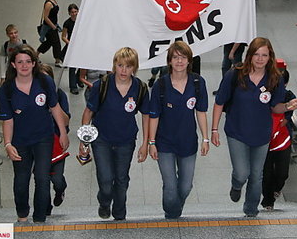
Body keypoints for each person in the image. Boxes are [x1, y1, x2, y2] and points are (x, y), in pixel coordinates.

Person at [211, 37, 297, 217]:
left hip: (262, 135)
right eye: (256, 54)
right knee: (242, 173)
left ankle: (251, 210)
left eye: (264, 55)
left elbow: (275, 107)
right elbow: (219, 102)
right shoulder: (235, 74)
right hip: (236, 132)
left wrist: (288, 106)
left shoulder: (275, 79)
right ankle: (236, 184)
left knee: (256, 175)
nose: (260, 59)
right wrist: (214, 129)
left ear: (270, 57)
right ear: (250, 55)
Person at [0, 45, 69, 223]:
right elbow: (7, 120)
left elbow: (54, 107)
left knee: (42, 178)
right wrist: (8, 144)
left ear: (34, 63)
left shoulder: (44, 82)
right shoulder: (6, 90)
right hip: (20, 142)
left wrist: (62, 133)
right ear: (13, 64)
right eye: (20, 62)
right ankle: (22, 215)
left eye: (28, 62)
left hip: (43, 139)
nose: (24, 65)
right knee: (21, 181)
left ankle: (39, 220)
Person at [79, 47, 150, 221]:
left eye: (128, 66)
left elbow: (146, 115)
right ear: (114, 66)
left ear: (134, 68)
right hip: (101, 139)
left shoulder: (140, 88)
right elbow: (88, 113)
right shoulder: (101, 85)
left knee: (121, 178)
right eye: (120, 65)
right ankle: (104, 201)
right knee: (105, 179)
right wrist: (83, 141)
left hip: (126, 140)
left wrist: (146, 143)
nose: (124, 70)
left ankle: (119, 212)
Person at [148, 42, 209, 219]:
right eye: (175, 57)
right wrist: (151, 142)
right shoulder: (160, 85)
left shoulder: (198, 82)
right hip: (165, 143)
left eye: (183, 57)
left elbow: (201, 112)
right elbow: (154, 116)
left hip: (188, 142)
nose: (179, 61)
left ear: (189, 60)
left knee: (185, 186)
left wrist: (205, 138)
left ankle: (174, 209)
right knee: (170, 186)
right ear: (169, 61)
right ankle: (172, 215)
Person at [261, 66, 296, 211]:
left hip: (283, 140)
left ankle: (277, 188)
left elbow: (290, 110)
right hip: (265, 140)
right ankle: (268, 200)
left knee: (283, 172)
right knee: (266, 172)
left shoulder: (289, 96)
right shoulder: (264, 95)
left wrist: (286, 120)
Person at [40, 64, 70, 216]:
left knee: (57, 179)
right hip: (38, 144)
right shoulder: (31, 94)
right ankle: (45, 209)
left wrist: (54, 106)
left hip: (57, 143)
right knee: (41, 179)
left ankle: (60, 190)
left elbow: (66, 121)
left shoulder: (59, 95)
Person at [37, 0, 63, 67]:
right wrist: (53, 26)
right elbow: (46, 17)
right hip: (49, 28)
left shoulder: (53, 1)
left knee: (48, 43)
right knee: (56, 43)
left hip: (53, 25)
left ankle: (35, 55)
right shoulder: (49, 3)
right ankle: (57, 60)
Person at [61, 4, 82, 95]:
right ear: (69, 13)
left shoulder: (81, 21)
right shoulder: (67, 23)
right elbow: (63, 36)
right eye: (72, 12)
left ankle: (79, 79)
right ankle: (73, 86)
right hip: (72, 46)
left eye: (75, 12)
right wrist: (70, 44)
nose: (74, 14)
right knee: (72, 67)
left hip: (80, 45)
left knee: (82, 64)